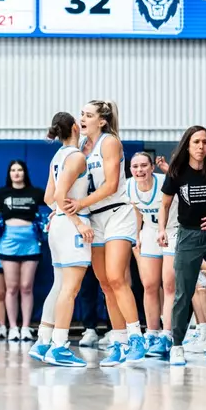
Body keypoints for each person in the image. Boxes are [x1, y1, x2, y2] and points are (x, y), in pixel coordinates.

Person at [62, 100, 145, 366]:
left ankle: (136, 337)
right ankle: (119, 342)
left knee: (116, 277)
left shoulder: (109, 142)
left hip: (117, 213)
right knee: (105, 283)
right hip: (94, 218)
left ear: (102, 121)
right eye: (81, 114)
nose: (82, 119)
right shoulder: (80, 148)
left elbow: (110, 186)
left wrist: (80, 204)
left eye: (88, 115)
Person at [158, 126, 206, 367]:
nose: (201, 146)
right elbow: (165, 204)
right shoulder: (177, 172)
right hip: (188, 237)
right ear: (188, 145)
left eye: (205, 142)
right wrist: (161, 230)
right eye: (196, 142)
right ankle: (177, 345)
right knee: (183, 293)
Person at [29, 111, 94, 367]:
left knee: (59, 285)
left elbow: (49, 197)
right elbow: (58, 196)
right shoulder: (76, 157)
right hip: (71, 225)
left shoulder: (58, 156)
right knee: (70, 289)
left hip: (58, 223)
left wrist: (60, 212)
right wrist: (78, 222)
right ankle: (59, 346)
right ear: (75, 127)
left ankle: (43, 341)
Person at [0, 161, 45, 342]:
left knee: (26, 287)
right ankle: (13, 328)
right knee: (11, 288)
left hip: (30, 241)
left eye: (20, 170)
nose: (16, 173)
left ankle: (25, 327)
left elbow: (56, 204)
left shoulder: (35, 192)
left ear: (25, 173)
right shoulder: (2, 192)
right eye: (13, 170)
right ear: (9, 174)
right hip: (9, 241)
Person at [126, 151, 175, 349]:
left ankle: (167, 334)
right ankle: (152, 332)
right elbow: (136, 211)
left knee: (169, 285)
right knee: (149, 285)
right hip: (150, 231)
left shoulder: (165, 181)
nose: (139, 170)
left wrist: (169, 169)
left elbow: (185, 182)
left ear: (152, 167)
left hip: (173, 230)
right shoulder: (128, 186)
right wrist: (137, 234)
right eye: (135, 166)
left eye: (144, 165)